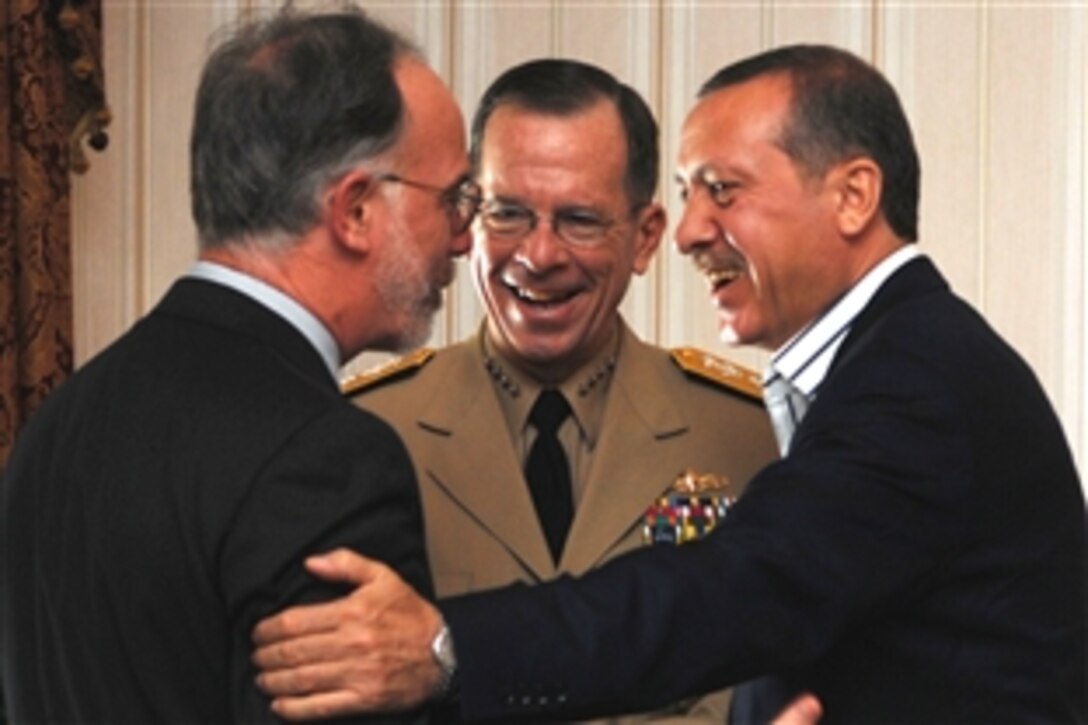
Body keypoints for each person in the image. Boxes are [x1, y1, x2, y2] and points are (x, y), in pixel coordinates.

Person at [251, 44, 1087, 723]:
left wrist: (443, 646)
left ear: (854, 195)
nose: (691, 231)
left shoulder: (916, 381)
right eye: (688, 195)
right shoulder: (901, 359)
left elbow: (742, 591)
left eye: (723, 191)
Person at [1, 7, 477, 722]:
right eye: (453, 200)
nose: (466, 239)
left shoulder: (60, 425)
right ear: (353, 210)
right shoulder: (327, 459)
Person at [340, 58, 778, 723]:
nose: (539, 255)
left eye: (579, 220)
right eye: (508, 213)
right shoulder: (366, 434)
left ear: (646, 237)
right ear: (467, 220)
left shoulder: (748, 433)